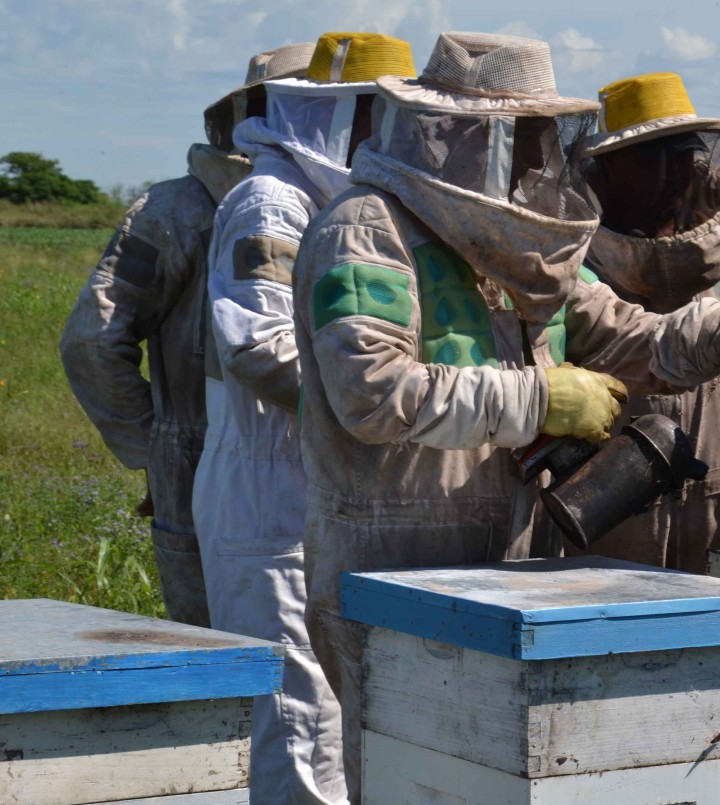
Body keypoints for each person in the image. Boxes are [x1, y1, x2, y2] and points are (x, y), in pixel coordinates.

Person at [291, 32, 720, 801]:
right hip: (390, 568)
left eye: (544, 137)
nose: (538, 158)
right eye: (523, 135)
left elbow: (634, 337)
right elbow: (372, 392)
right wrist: (543, 399)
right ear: (462, 134)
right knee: (412, 781)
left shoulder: (525, 251)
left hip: (515, 568)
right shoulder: (365, 231)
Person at [195, 32, 414, 804]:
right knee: (299, 730)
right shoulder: (271, 200)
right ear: (338, 115)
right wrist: (372, 400)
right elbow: (258, 344)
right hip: (271, 494)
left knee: (344, 726)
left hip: (329, 488)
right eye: (382, 118)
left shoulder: (350, 207)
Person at [59, 43, 315, 628]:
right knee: (225, 659)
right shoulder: (176, 210)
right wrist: (152, 447)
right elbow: (93, 342)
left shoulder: (335, 204)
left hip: (280, 467)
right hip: (214, 463)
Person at [576, 71, 720, 571]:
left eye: (683, 153)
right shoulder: (576, 257)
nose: (673, 170)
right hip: (603, 508)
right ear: (609, 169)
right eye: (650, 157)